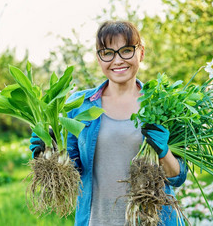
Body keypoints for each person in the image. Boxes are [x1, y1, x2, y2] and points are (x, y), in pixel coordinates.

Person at [30, 20, 187, 226]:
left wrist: (164, 151)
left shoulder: (162, 103)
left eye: (126, 50)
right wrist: (47, 154)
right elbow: (74, 171)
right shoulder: (80, 105)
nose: (118, 60)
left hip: (153, 220)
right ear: (99, 58)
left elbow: (177, 176)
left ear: (141, 53)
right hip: (98, 219)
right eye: (108, 53)